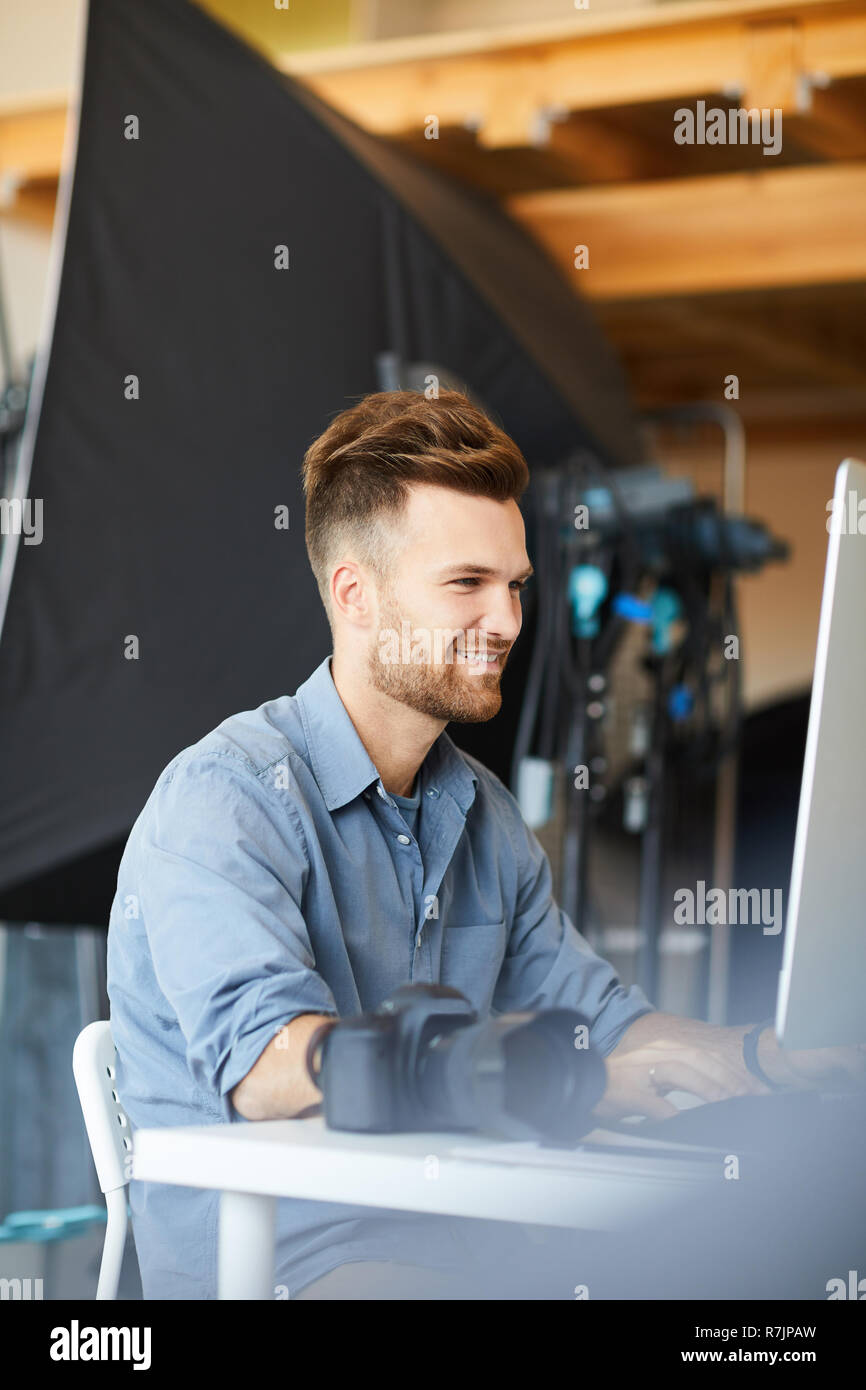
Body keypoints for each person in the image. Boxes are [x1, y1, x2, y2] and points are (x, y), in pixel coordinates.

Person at [107, 390, 864, 1300]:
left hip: (473, 1256)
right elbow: (268, 1069)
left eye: (514, 586)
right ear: (356, 594)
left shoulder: (484, 814)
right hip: (291, 1267)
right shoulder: (223, 799)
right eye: (467, 584)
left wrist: (771, 1057)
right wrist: (546, 1077)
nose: (507, 620)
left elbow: (611, 1024)